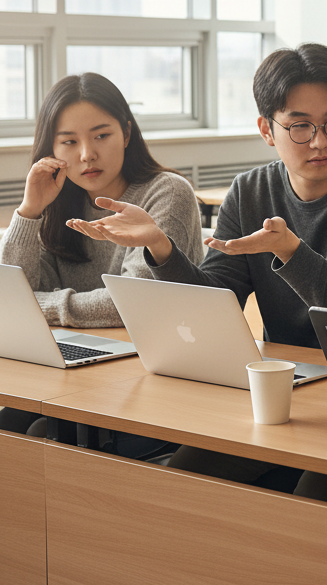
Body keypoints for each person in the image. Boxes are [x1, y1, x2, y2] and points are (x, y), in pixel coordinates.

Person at [69, 42, 327, 506]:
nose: (320, 141)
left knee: (317, 498)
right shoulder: (252, 190)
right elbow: (215, 304)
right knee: (185, 480)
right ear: (266, 129)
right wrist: (160, 246)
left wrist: (292, 252)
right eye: (300, 126)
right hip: (288, 390)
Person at [0, 72, 204, 436]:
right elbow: (9, 300)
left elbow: (130, 304)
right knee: (9, 425)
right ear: (51, 149)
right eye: (68, 141)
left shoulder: (167, 193)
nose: (86, 154)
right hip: (73, 373)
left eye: (101, 135)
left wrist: (41, 305)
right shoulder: (58, 199)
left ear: (126, 133)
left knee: (39, 435)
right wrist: (29, 211)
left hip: (149, 377)